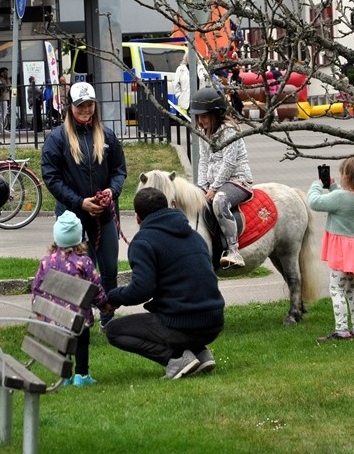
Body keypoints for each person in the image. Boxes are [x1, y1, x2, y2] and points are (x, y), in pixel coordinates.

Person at [104, 187, 225, 380]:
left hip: (183, 324)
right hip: (214, 320)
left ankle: (175, 359)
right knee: (166, 312)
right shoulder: (194, 235)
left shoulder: (143, 242)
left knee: (113, 331)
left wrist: (112, 297)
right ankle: (200, 354)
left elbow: (142, 290)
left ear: (137, 217)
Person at [41, 81, 127, 327]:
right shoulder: (57, 139)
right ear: (71, 107)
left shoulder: (107, 135)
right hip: (72, 219)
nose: (86, 110)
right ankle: (79, 318)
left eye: (89, 105)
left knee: (109, 268)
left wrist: (112, 191)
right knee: (78, 270)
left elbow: (119, 170)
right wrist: (80, 203)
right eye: (80, 106)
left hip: (104, 215)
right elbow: (52, 178)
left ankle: (108, 319)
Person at [31, 211, 110, 387]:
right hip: (79, 316)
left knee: (62, 342)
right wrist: (104, 305)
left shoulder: (47, 261)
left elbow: (37, 286)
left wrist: (38, 308)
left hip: (56, 314)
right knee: (82, 342)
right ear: (78, 237)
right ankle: (81, 375)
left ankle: (64, 375)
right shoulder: (84, 262)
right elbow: (95, 288)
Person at [307, 155, 354, 342]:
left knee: (336, 289)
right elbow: (345, 202)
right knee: (352, 288)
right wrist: (334, 188)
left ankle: (341, 329)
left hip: (342, 251)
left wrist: (317, 185)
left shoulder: (338, 197)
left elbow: (314, 202)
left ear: (347, 176)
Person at [188, 87, 254, 268]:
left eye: (204, 116)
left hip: (237, 180)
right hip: (214, 183)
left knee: (219, 201)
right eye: (198, 117)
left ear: (216, 114)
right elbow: (203, 161)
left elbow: (229, 163)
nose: (200, 121)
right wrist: (201, 187)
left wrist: (214, 188)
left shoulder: (229, 131)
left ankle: (234, 250)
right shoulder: (203, 132)